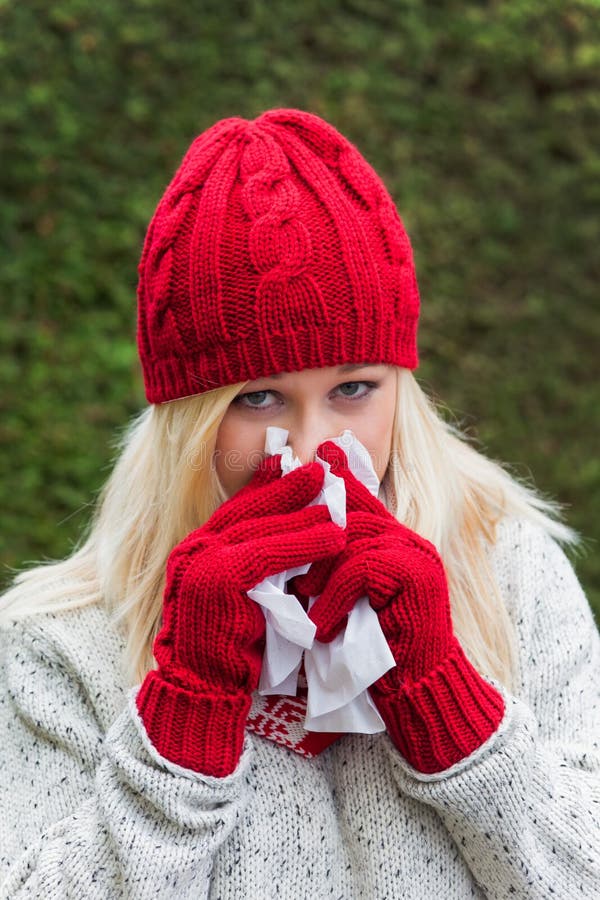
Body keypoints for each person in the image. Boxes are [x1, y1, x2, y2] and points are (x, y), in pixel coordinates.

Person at [1, 108, 598, 899]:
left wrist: (449, 700)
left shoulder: (507, 571)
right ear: (188, 418)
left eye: (353, 389)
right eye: (258, 399)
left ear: (401, 388)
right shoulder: (62, 642)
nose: (315, 446)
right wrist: (184, 721)